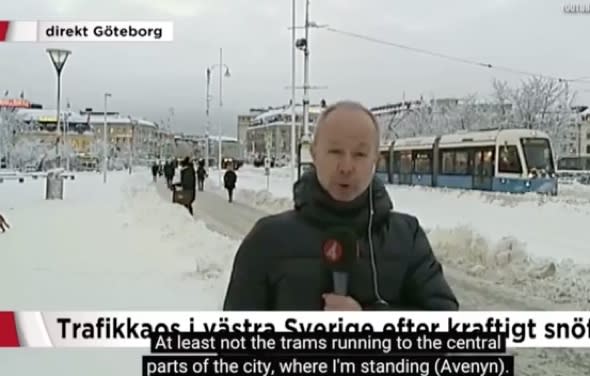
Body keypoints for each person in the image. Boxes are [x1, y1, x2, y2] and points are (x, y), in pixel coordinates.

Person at [223, 100, 459, 311]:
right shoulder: (267, 239)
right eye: (335, 152)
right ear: (314, 154)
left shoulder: (407, 237)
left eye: (359, 154)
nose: (346, 167)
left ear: (375, 161)